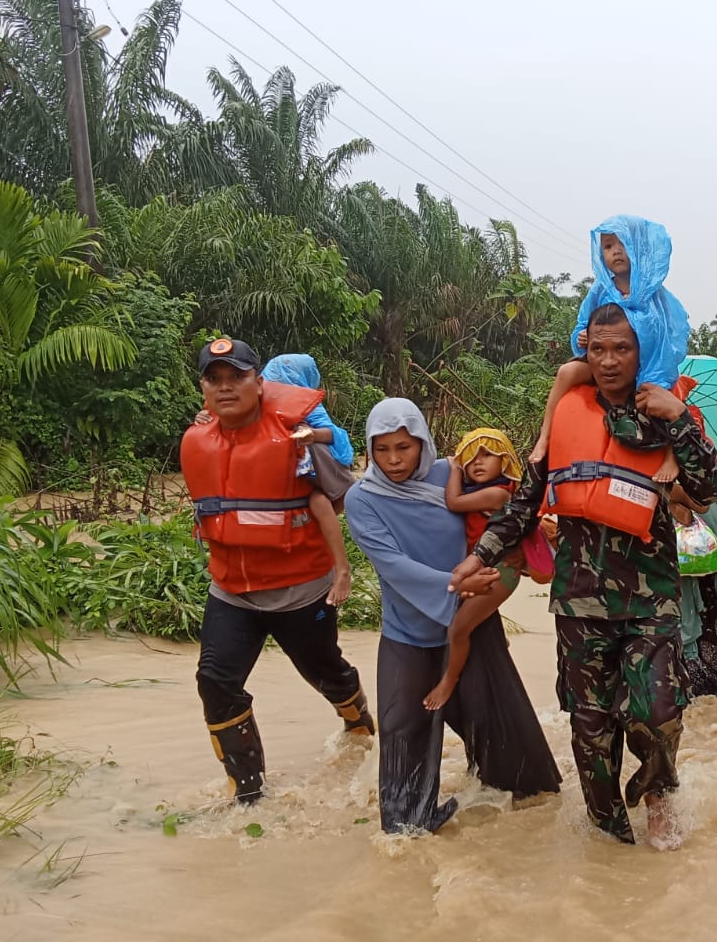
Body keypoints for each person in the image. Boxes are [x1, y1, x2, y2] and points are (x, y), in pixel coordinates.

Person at [451, 302, 717, 849]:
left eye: (621, 348)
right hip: (580, 601)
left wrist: (679, 419)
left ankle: (659, 792)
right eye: (597, 348)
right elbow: (523, 504)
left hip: (652, 600)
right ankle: (610, 840)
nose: (608, 360)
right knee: (590, 729)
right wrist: (481, 555)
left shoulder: (663, 413)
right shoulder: (567, 414)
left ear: (641, 351)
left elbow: (707, 486)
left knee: (658, 712)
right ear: (585, 351)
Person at [345, 399, 560, 834]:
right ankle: (409, 823)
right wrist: (456, 584)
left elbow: (508, 514)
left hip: (473, 617)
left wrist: (522, 548)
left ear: (421, 441)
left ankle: (524, 799)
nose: (394, 460)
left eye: (403, 447)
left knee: (495, 711)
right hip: (409, 626)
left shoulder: (451, 475)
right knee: (402, 722)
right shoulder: (362, 499)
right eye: (382, 450)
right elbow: (391, 564)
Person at [180, 338, 373, 804]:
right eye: (214, 379)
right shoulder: (195, 441)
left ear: (258, 383)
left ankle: (358, 721)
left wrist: (344, 567)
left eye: (237, 377)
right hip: (231, 590)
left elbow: (344, 499)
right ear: (204, 388)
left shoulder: (298, 438)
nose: (225, 388)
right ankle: (249, 796)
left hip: (300, 591)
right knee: (215, 682)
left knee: (325, 672)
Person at [529, 215, 690, 485]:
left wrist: (657, 367)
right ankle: (545, 436)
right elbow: (584, 321)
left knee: (670, 395)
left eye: (623, 244)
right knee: (567, 372)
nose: (615, 251)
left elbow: (671, 331)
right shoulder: (600, 290)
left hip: (647, 365)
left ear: (639, 248)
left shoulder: (654, 292)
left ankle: (671, 454)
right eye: (607, 246)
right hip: (603, 363)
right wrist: (581, 336)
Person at [194, 352, 354, 606]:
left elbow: (333, 433)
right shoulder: (244, 406)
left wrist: (309, 433)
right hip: (261, 487)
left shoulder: (305, 405)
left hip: (308, 471)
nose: (281, 382)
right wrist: (203, 419)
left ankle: (342, 569)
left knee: (318, 501)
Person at [426, 427, 528, 711]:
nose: (478, 462)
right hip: (484, 568)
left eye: (487, 455)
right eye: (471, 457)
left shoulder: (497, 493)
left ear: (505, 461)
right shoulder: (484, 490)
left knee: (457, 630)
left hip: (501, 571)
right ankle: (497, 638)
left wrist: (456, 467)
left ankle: (449, 680)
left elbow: (454, 502)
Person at [671, 468, 717, 696]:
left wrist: (681, 494)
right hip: (672, 535)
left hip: (701, 540)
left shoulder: (691, 439)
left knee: (709, 611)